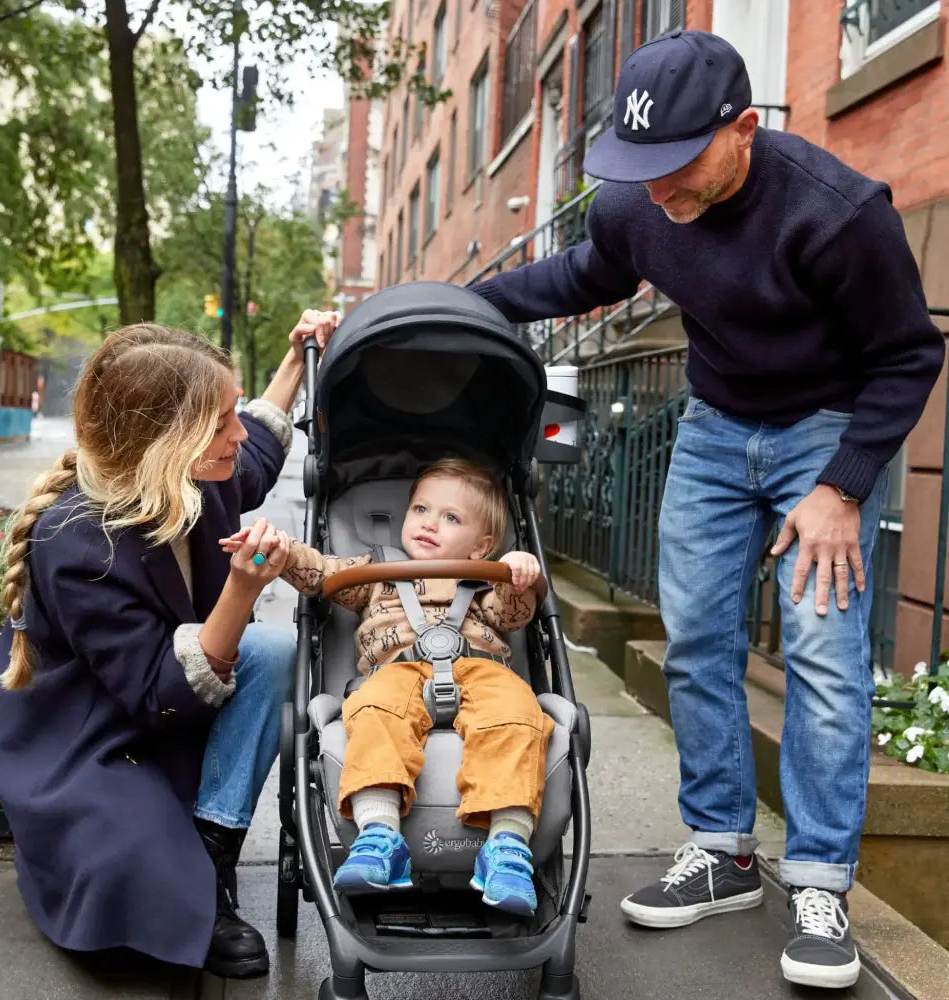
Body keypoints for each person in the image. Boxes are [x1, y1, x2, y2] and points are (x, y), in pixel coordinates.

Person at [469, 29, 944, 989]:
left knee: (819, 649)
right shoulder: (642, 203)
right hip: (718, 424)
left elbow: (909, 355)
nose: (658, 192)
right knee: (694, 637)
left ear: (743, 130)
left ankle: (817, 884)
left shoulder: (839, 214)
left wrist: (843, 486)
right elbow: (579, 277)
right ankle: (724, 849)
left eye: (677, 167)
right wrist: (449, 300)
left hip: (825, 425)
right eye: (640, 170)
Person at [0, 310, 339, 980]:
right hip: (89, 736)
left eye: (234, 413)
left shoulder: (198, 476)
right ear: (164, 439)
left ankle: (211, 851)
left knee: (270, 653)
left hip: (158, 710)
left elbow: (257, 458)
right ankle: (159, 862)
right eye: (219, 422)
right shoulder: (77, 539)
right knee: (132, 879)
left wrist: (296, 358)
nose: (236, 433)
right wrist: (240, 588)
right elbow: (157, 694)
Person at [221, 458, 553, 916]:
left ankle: (508, 847)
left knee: (517, 713)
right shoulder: (375, 571)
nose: (428, 524)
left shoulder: (488, 579)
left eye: (450, 518)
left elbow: (515, 616)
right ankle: (380, 835)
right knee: (371, 709)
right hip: (395, 670)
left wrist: (521, 575)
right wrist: (284, 553)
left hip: (482, 669)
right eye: (420, 509)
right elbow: (321, 573)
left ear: (483, 546)